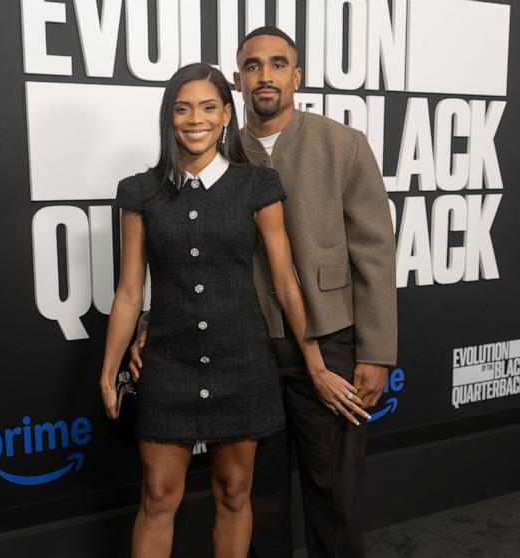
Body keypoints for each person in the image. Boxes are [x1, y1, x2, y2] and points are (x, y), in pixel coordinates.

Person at [130, 28, 398, 558]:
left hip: (330, 338)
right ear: (237, 82)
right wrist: (148, 323)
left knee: (334, 491)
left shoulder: (342, 144)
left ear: (296, 76)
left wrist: (377, 350)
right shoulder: (216, 148)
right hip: (244, 350)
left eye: (279, 65)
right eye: (253, 67)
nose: (266, 76)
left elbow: (375, 249)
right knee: (257, 495)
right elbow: (179, 252)